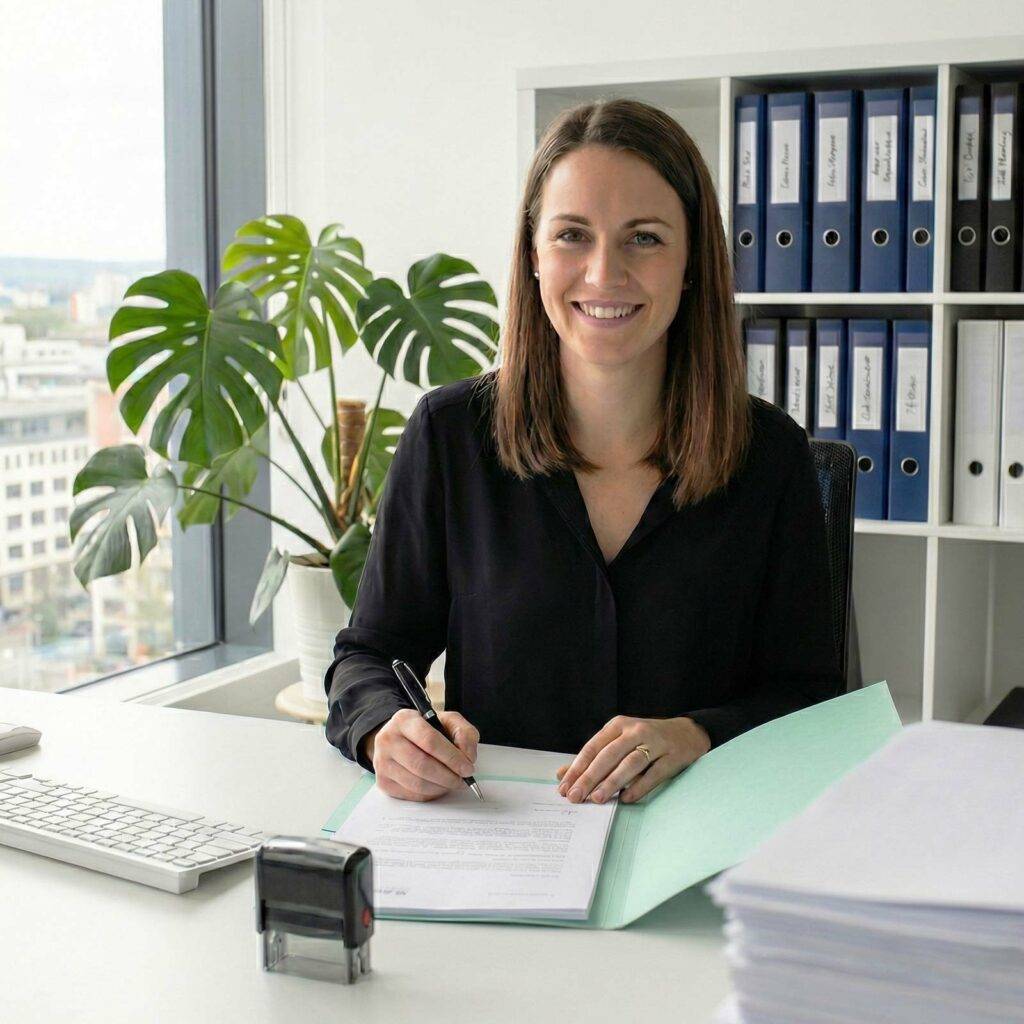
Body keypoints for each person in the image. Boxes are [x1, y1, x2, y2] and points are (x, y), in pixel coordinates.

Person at [323, 98, 842, 806]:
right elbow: (369, 656)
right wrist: (386, 729)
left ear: (693, 262)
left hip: (696, 842)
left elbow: (812, 697)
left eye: (645, 239)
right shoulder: (450, 438)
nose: (603, 275)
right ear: (533, 257)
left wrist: (698, 733)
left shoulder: (772, 457)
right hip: (506, 842)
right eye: (573, 235)